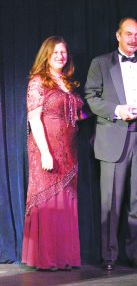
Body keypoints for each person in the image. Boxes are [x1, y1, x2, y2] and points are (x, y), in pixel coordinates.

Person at [84, 17, 137, 270]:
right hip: (114, 135)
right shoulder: (101, 63)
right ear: (118, 36)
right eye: (128, 34)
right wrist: (117, 110)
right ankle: (109, 257)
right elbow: (90, 97)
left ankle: (136, 254)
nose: (133, 39)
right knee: (111, 202)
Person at [22, 36, 83, 271]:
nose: (60, 56)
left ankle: (63, 256)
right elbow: (34, 119)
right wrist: (46, 153)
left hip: (68, 150)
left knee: (65, 201)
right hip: (45, 148)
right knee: (49, 200)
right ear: (46, 55)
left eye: (63, 52)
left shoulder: (67, 82)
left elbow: (75, 114)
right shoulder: (39, 82)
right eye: (56, 52)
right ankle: (47, 258)